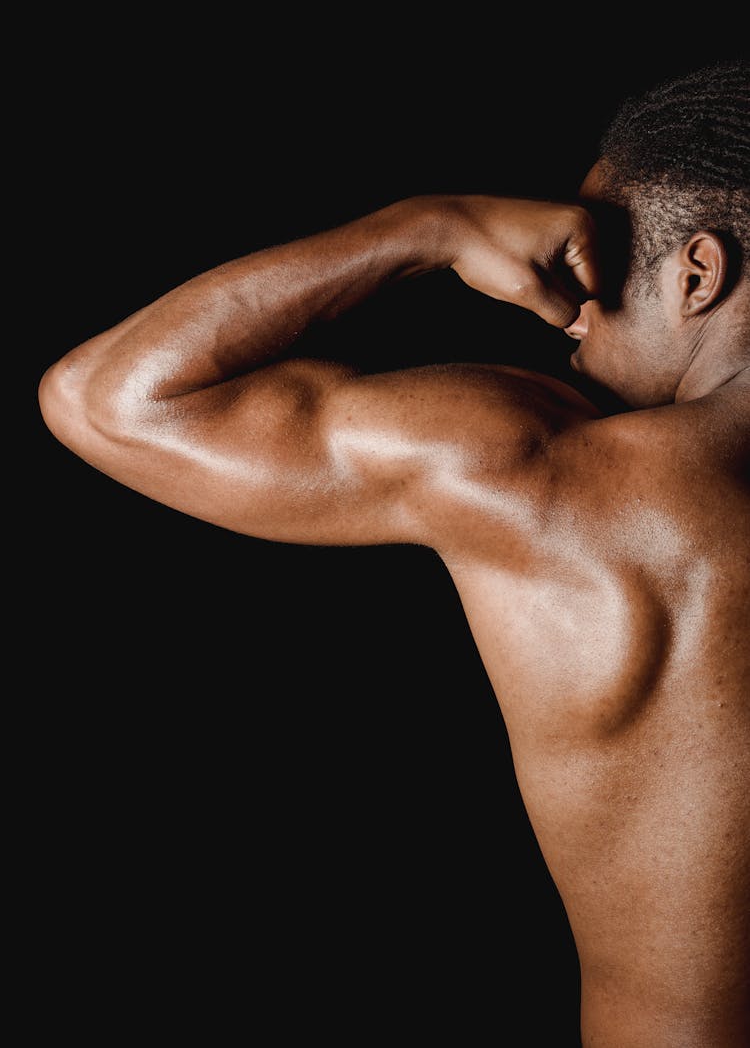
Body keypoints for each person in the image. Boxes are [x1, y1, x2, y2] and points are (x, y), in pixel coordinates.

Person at [38, 60, 749, 1047]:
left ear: (699, 273)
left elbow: (105, 398)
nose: (572, 316)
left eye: (601, 264)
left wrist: (429, 226)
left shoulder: (543, 475)